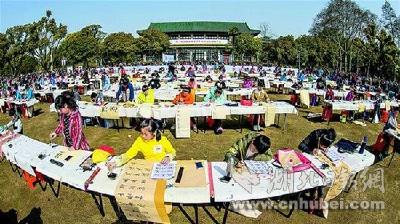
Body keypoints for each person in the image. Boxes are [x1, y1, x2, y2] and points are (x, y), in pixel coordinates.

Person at [224, 132, 271, 218]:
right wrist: (236, 162)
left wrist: (255, 158)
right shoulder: (243, 142)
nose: (253, 152)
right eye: (253, 149)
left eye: (256, 151)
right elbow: (228, 154)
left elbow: (269, 157)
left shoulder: (263, 144)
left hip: (248, 170)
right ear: (252, 141)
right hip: (234, 168)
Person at [107, 119, 176, 168]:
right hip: (148, 166)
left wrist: (168, 157)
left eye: (146, 134)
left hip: (163, 166)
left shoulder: (162, 140)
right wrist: (116, 162)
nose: (143, 136)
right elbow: (129, 154)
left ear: (154, 132)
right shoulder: (140, 140)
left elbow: (172, 151)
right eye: (142, 133)